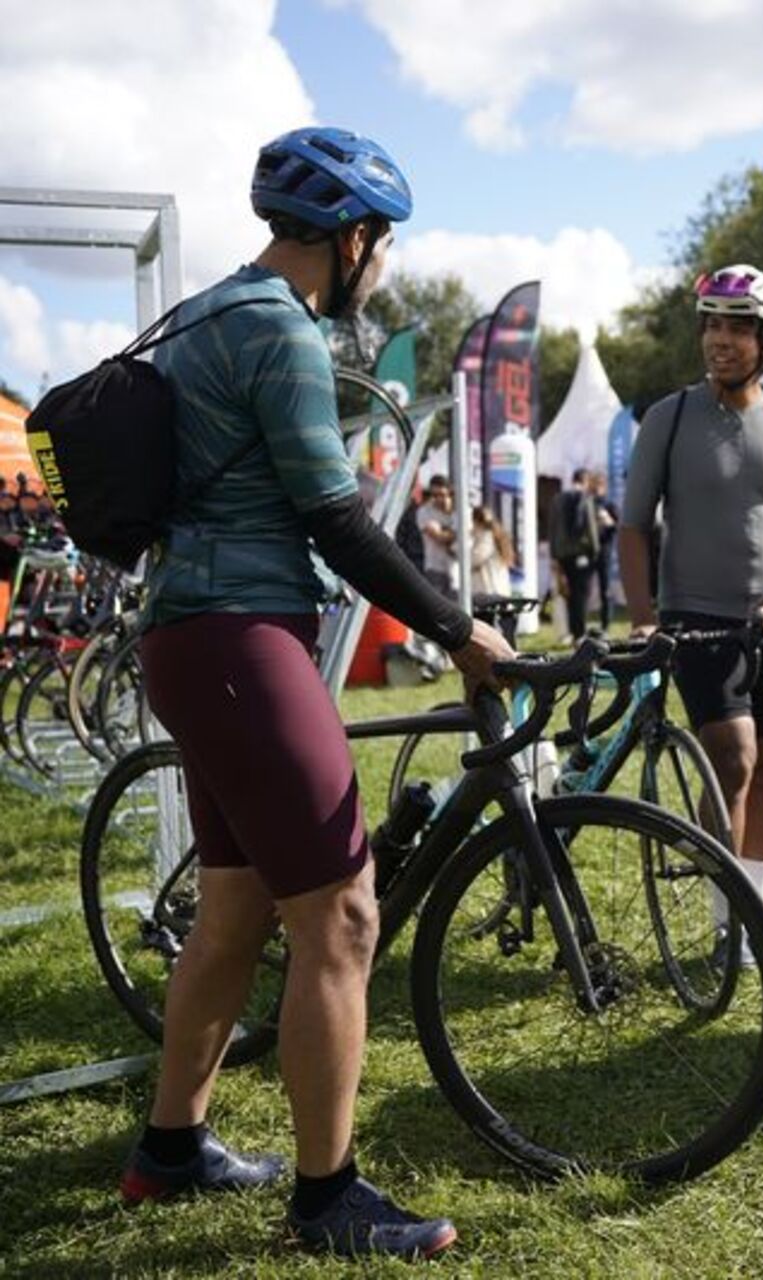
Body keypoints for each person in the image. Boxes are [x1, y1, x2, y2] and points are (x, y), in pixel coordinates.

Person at [118, 126, 515, 1262]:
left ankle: (171, 1146)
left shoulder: (209, 312)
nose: (378, 263)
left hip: (193, 635)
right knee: (341, 912)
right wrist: (457, 625)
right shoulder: (278, 334)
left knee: (237, 906)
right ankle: (327, 1194)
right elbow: (334, 515)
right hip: (241, 638)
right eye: (380, 244)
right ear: (351, 238)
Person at [619, 263, 763, 964]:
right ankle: (725, 928)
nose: (719, 340)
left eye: (737, 328)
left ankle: (757, 922)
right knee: (733, 759)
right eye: (710, 325)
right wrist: (646, 615)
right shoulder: (669, 417)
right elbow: (632, 525)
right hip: (695, 619)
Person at [550, 468, 600, 642]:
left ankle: (572, 631)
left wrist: (554, 554)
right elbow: (591, 527)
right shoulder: (585, 499)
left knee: (569, 594)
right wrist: (595, 551)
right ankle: (580, 632)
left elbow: (552, 528)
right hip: (581, 554)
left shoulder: (557, 499)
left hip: (563, 555)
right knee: (581, 595)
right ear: (585, 481)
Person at [416, 473, 457, 598]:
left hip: (458, 568)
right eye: (435, 495)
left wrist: (448, 532)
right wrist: (455, 533)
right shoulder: (425, 512)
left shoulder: (459, 510)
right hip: (435, 568)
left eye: (443, 495)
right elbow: (439, 537)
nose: (440, 499)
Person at [589, 470, 619, 631]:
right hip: (587, 551)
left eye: (599, 485)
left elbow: (619, 526)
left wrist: (609, 522)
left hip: (604, 551)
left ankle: (605, 624)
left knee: (605, 589)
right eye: (594, 485)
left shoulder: (609, 504)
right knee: (584, 590)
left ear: (604, 487)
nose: (596, 489)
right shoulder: (587, 503)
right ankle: (581, 626)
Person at [471, 503, 514, 599]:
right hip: (498, 590)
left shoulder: (485, 536)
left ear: (475, 522)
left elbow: (473, 559)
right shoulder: (497, 534)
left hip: (488, 592)